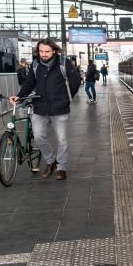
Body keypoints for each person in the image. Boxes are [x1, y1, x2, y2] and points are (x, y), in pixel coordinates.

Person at [11, 38, 80, 180]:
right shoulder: (35, 64)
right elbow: (29, 83)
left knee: (62, 140)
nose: (43, 54)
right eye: (41, 51)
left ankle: (61, 167)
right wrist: (19, 96)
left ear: (53, 50)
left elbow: (75, 82)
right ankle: (50, 161)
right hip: (40, 107)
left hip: (59, 108)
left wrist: (67, 98)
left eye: (47, 51)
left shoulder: (63, 63)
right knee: (38, 137)